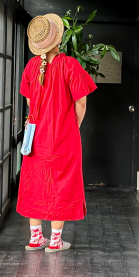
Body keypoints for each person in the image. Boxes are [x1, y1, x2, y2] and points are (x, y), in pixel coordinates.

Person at [17, 13, 97, 252]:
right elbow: (80, 103)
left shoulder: (31, 66)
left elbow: (30, 104)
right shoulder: (70, 65)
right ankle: (55, 241)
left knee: (36, 183)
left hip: (35, 136)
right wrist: (73, 125)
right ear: (58, 40)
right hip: (63, 135)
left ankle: (34, 238)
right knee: (61, 183)